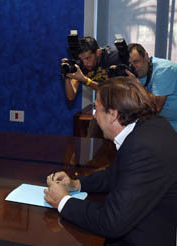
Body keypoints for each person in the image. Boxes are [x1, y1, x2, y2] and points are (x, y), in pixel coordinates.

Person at [44, 77, 177, 245]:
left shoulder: (142, 147)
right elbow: (117, 173)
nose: (93, 115)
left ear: (113, 114)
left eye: (96, 108)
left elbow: (111, 222)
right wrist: (76, 184)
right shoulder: (151, 126)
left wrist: (63, 201)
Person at [63, 37, 122, 137]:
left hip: (121, 109)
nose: (85, 63)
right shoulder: (81, 63)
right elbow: (70, 96)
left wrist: (85, 80)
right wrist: (67, 76)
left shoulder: (113, 57)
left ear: (98, 52)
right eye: (82, 59)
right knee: (90, 143)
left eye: (88, 58)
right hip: (101, 109)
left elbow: (110, 92)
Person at [128, 43, 177, 131]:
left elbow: (156, 107)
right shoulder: (134, 75)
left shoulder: (163, 70)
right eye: (130, 64)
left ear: (146, 56)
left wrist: (136, 84)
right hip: (165, 124)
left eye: (136, 61)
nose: (133, 67)